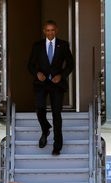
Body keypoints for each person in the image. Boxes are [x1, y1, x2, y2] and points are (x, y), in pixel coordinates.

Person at [28, 20, 74, 156]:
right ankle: (45, 129)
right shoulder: (37, 46)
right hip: (41, 84)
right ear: (44, 31)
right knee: (40, 110)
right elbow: (30, 65)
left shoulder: (63, 45)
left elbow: (70, 64)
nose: (50, 33)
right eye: (47, 30)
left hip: (57, 84)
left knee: (56, 114)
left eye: (52, 30)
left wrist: (61, 75)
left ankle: (57, 146)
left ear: (56, 30)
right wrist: (37, 73)